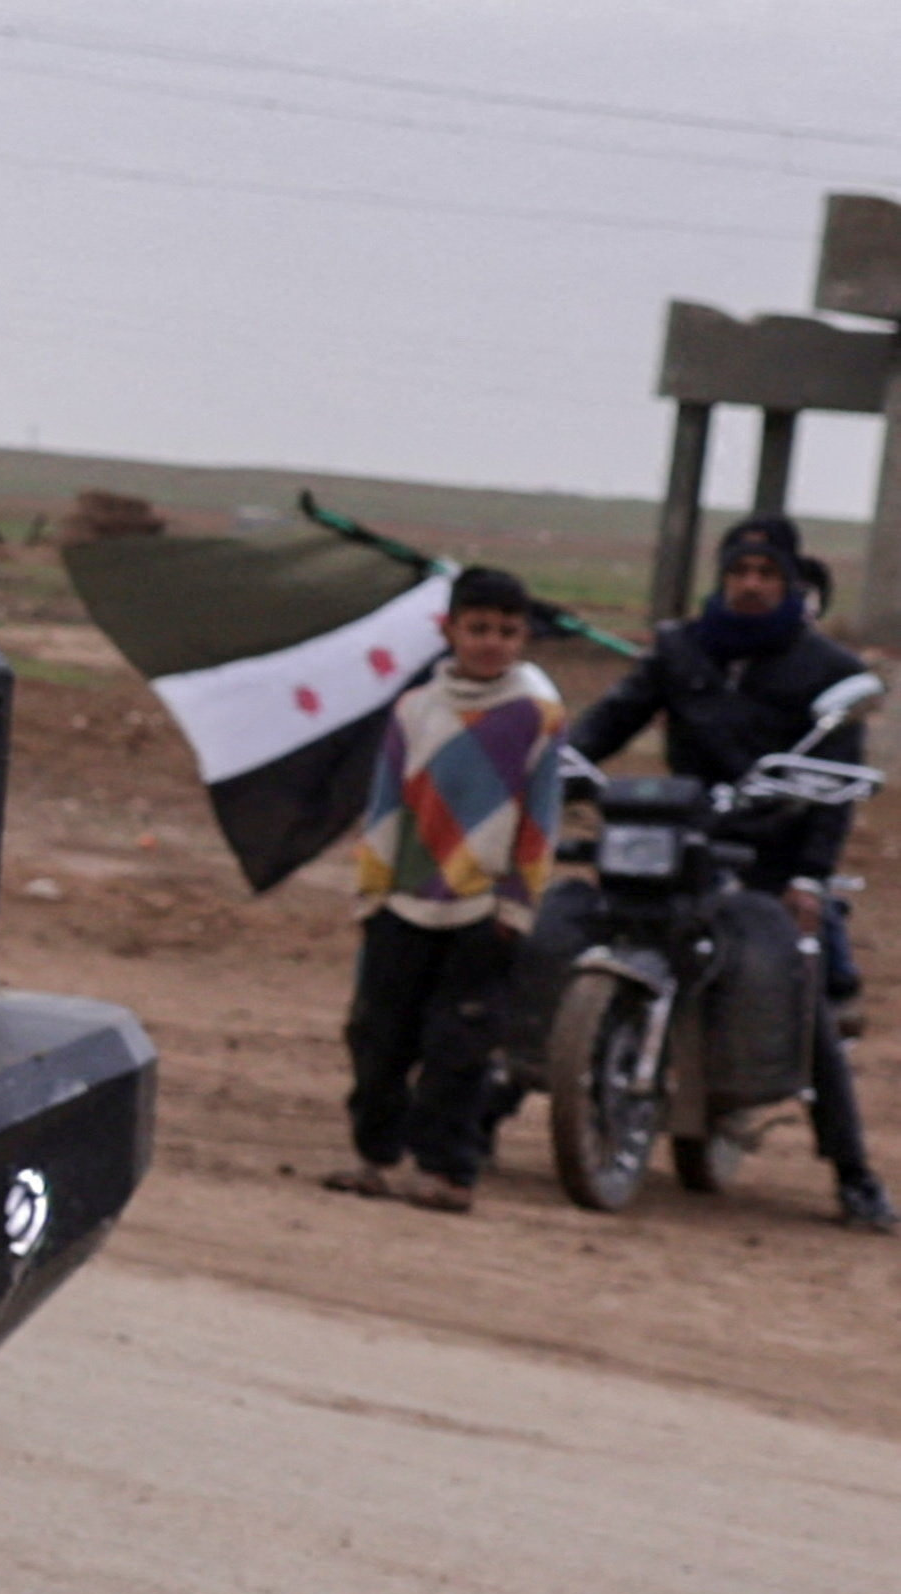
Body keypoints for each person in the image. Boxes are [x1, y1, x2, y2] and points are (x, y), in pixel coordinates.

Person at [556, 512, 893, 1231]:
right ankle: (491, 1107)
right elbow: (614, 716)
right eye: (739, 570)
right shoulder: (682, 648)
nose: (751, 584)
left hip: (772, 854)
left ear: (791, 582)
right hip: (677, 834)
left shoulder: (831, 673)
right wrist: (567, 760)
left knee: (803, 994)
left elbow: (834, 790)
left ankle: (854, 1174)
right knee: (570, 925)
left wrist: (809, 877)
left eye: (767, 573)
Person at [324, 563, 560, 1214]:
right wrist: (373, 892)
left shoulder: (536, 715)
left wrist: (517, 904)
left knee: (460, 1046)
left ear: (524, 636)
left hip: (484, 909)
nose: (491, 642)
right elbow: (385, 806)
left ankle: (447, 1171)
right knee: (379, 1036)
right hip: (403, 901)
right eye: (478, 628)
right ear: (449, 629)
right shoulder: (415, 709)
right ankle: (373, 1158)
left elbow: (540, 820)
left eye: (506, 631)